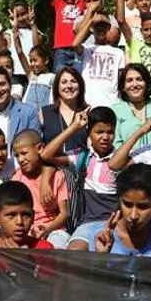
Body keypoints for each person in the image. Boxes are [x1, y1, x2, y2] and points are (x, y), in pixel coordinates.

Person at [42, 107, 119, 251]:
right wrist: (73, 127)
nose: (105, 137)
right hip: (86, 225)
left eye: (110, 132)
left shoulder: (119, 160)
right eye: (99, 132)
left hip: (114, 226)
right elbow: (46, 154)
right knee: (74, 252)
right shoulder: (82, 157)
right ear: (88, 133)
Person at [91, 163, 151, 258]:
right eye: (127, 205)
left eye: (143, 207)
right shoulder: (91, 235)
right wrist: (100, 257)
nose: (133, 216)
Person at [0, 66, 42, 173]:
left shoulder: (29, 112)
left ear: (10, 84)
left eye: (1, 84)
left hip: (22, 172)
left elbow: (35, 149)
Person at [11, 130, 70, 249]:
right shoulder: (17, 178)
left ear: (39, 148)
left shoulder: (57, 176)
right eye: (17, 155)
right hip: (26, 230)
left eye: (24, 153)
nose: (20, 159)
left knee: (55, 249)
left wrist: (47, 229)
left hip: (54, 230)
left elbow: (64, 214)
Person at [72, 8, 124, 109]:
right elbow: (74, 44)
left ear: (109, 28)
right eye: (97, 26)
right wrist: (91, 21)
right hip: (89, 103)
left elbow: (121, 80)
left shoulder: (118, 53)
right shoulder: (87, 49)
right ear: (92, 28)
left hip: (111, 104)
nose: (100, 29)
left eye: (103, 26)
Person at [0, 181, 56, 249]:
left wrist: (22, 255)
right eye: (11, 215)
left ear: (33, 217)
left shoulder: (45, 250)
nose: (19, 222)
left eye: (25, 215)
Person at [112, 63, 151, 149]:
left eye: (139, 79)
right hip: (127, 157)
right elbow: (115, 144)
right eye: (129, 80)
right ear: (123, 87)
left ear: (146, 83)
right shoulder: (116, 110)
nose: (135, 84)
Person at [1, 0, 43, 89]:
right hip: (15, 75)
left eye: (23, 14)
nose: (20, 18)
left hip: (32, 73)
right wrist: (14, 27)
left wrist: (33, 25)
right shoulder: (8, 34)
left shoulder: (35, 31)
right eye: (17, 15)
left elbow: (38, 48)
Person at [46, 0, 85, 71]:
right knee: (60, 75)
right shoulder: (59, 3)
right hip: (61, 50)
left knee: (78, 75)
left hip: (77, 49)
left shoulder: (81, 4)